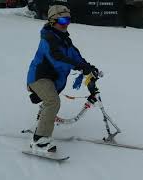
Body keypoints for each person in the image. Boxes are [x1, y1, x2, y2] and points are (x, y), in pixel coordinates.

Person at [26, 5, 98, 153]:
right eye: (63, 20)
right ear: (52, 21)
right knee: (52, 102)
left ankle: (41, 121)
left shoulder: (65, 40)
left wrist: (88, 67)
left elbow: (75, 56)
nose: (66, 24)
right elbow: (56, 59)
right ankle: (40, 140)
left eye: (68, 20)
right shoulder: (48, 38)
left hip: (53, 79)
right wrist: (78, 66)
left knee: (50, 102)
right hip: (39, 77)